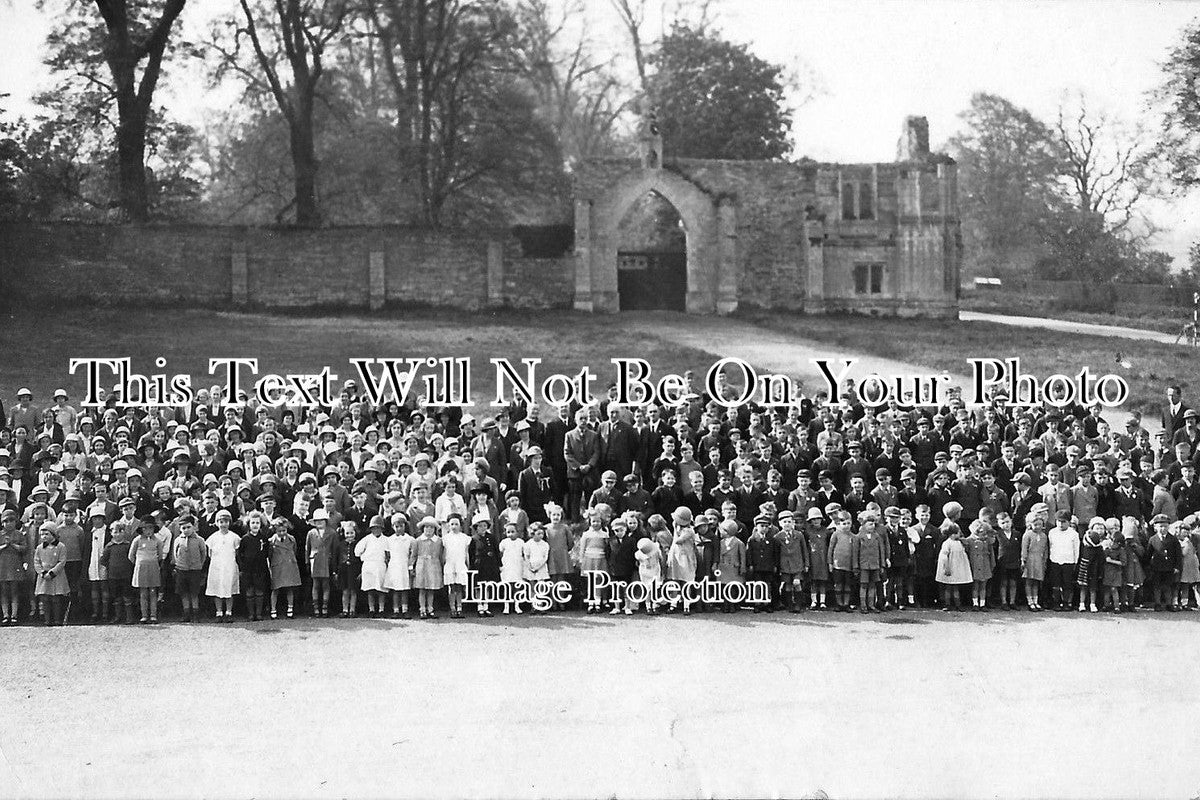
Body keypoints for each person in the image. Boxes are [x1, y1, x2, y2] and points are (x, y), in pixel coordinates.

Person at [205, 509, 241, 622]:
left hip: (229, 566)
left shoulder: (234, 537)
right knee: (217, 589)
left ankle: (229, 612)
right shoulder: (213, 537)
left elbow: (237, 552)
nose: (223, 524)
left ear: (229, 523)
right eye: (221, 522)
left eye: (226, 521)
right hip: (217, 566)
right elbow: (209, 553)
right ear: (217, 523)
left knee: (229, 589)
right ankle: (219, 612)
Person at [128, 517, 166, 623]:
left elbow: (160, 556)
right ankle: (144, 615)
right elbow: (131, 556)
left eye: (151, 528)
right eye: (145, 528)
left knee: (153, 592)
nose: (148, 531)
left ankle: (153, 615)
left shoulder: (157, 541)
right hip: (141, 569)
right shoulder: (137, 540)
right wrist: (139, 563)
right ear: (141, 529)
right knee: (143, 592)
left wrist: (152, 562)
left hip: (153, 568)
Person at [171, 515, 207, 623]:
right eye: (183, 528)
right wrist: (179, 564)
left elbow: (203, 554)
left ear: (194, 527)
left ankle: (196, 614)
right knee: (184, 593)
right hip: (181, 570)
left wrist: (198, 565)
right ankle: (186, 614)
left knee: (194, 593)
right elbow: (175, 554)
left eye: (188, 527)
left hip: (195, 570)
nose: (186, 530)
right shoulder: (178, 540)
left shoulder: (199, 540)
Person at [33, 523, 69, 625]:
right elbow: (36, 561)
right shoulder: (39, 548)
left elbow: (62, 561)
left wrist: (52, 573)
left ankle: (57, 620)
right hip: (44, 577)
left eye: (46, 534)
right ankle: (47, 619)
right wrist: (43, 573)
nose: (44, 536)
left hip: (57, 576)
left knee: (56, 599)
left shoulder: (61, 547)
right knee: (45, 598)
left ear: (53, 534)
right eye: (42, 534)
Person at [354, 515, 389, 617]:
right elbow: (357, 551)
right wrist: (363, 556)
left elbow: (388, 553)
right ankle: (371, 609)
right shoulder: (367, 539)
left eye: (378, 528)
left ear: (382, 528)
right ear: (371, 529)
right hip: (369, 565)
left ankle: (381, 609)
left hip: (381, 565)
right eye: (374, 528)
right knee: (370, 589)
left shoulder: (386, 540)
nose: (376, 530)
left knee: (381, 589)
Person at [240, 512, 272, 622]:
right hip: (248, 569)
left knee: (259, 590)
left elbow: (267, 552)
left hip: (260, 568)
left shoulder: (263, 538)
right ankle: (251, 614)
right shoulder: (245, 539)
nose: (255, 525)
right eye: (253, 522)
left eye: (257, 523)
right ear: (248, 524)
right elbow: (240, 554)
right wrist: (243, 566)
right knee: (249, 590)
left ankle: (258, 613)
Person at [268, 517, 301, 618]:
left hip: (289, 565)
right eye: (279, 531)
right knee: (275, 589)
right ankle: (273, 609)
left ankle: (290, 608)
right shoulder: (271, 541)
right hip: (277, 566)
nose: (282, 533)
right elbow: (269, 555)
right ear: (275, 530)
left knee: (289, 588)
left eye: (284, 531)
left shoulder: (291, 539)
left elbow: (294, 550)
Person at [412, 516, 444, 619]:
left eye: (431, 527)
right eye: (426, 527)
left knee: (431, 589)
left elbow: (441, 555)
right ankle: (422, 609)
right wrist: (411, 567)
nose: (429, 529)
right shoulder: (418, 541)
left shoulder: (438, 541)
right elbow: (414, 555)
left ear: (435, 529)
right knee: (422, 589)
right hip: (421, 566)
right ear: (423, 528)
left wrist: (442, 567)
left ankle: (430, 608)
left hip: (434, 566)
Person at [384, 514, 416, 618]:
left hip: (404, 566)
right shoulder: (389, 540)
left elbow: (412, 554)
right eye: (396, 526)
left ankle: (405, 610)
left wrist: (410, 567)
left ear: (405, 526)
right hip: (394, 566)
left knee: (404, 589)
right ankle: (396, 610)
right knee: (396, 590)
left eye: (401, 526)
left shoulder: (410, 539)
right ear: (393, 527)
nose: (399, 528)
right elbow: (387, 555)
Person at [440, 514, 471, 619]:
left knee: (459, 587)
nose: (454, 526)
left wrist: (467, 564)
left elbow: (466, 553)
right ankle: (452, 608)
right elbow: (444, 554)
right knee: (452, 587)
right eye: (452, 524)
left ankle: (459, 608)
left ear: (460, 525)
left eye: (456, 524)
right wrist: (444, 564)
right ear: (448, 525)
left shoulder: (465, 538)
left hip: (460, 564)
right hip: (450, 564)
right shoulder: (445, 538)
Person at [935, 523, 971, 611]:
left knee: (955, 587)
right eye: (958, 533)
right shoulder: (947, 543)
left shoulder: (959, 543)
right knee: (948, 587)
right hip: (950, 567)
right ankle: (947, 604)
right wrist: (946, 567)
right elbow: (943, 556)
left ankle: (958, 604)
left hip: (957, 568)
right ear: (952, 534)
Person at [0, 509, 26, 624]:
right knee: (4, 591)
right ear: (2, 523)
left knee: (14, 591)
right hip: (2, 565)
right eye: (6, 521)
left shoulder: (19, 534)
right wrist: (4, 545)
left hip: (15, 564)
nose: (9, 524)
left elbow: (24, 548)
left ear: (15, 522)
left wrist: (14, 545)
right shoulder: (0, 534)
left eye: (11, 521)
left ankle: (14, 614)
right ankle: (5, 615)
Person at [964, 519, 994, 611]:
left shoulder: (987, 541)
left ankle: (982, 603)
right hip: (975, 564)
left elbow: (991, 554)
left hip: (985, 564)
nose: (984, 534)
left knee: (983, 585)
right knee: (975, 585)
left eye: (985, 532)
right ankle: (975, 603)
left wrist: (992, 564)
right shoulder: (969, 540)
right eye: (981, 532)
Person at [1020, 514, 1049, 612]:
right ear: (1030, 524)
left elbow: (1045, 550)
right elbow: (1024, 548)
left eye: (1040, 524)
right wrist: (1023, 560)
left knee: (1036, 581)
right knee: (1029, 581)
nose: (1038, 527)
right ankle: (1030, 601)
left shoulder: (1044, 536)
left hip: (1039, 560)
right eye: (1035, 524)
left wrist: (1045, 561)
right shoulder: (1027, 535)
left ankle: (1036, 601)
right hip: (1030, 559)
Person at [522, 523, 550, 614]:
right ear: (532, 533)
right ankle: (534, 605)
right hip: (531, 567)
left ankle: (541, 605)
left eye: (542, 533)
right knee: (532, 586)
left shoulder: (545, 544)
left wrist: (539, 567)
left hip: (541, 567)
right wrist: (530, 567)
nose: (541, 535)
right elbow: (526, 556)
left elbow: (545, 557)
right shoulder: (528, 544)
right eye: (538, 533)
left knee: (541, 586)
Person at [499, 522, 525, 614]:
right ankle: (506, 606)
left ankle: (517, 605)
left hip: (517, 566)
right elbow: (500, 553)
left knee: (516, 586)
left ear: (517, 532)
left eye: (513, 532)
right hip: (507, 566)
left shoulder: (521, 542)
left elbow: (524, 554)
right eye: (508, 532)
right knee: (507, 586)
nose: (510, 534)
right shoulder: (504, 542)